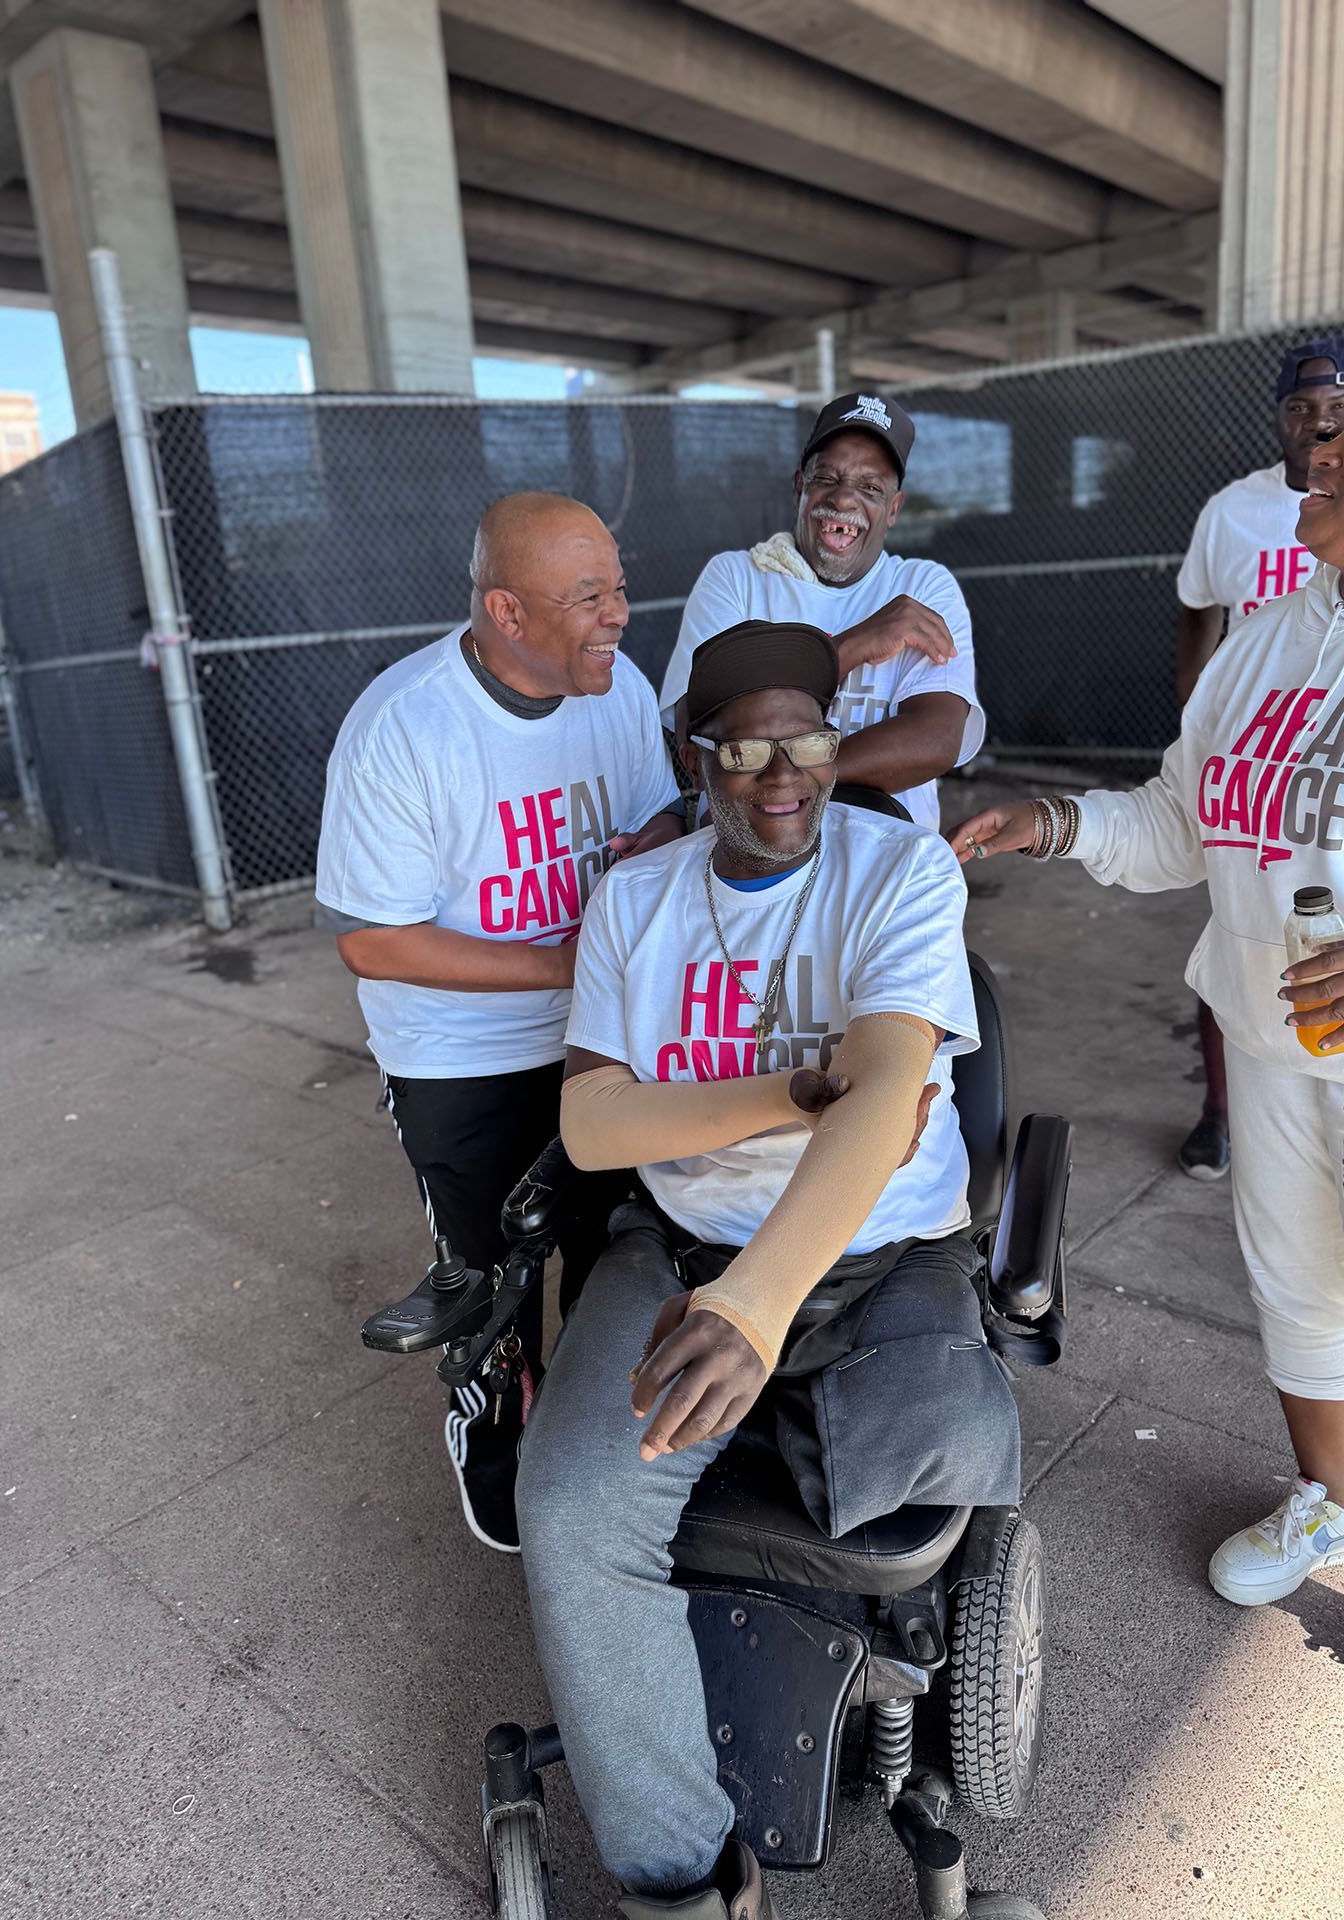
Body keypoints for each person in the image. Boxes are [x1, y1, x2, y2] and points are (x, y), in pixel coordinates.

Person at [947, 361, 1344, 1767]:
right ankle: (1334, 1505)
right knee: (1296, 1294)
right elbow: (1175, 823)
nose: (1322, 452)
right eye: (1322, 432)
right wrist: (1048, 824)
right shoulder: (1266, 637)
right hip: (1276, 1046)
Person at [516, 621, 1020, 1915]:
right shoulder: (637, 898)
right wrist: (785, 1093)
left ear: (835, 741)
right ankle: (688, 1884)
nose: (776, 772)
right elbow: (595, 1125)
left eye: (802, 738)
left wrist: (757, 1300)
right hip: (683, 1241)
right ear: (698, 757)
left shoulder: (900, 870)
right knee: (571, 1510)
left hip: (883, 1246)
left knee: (917, 1489)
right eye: (741, 745)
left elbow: (892, 1091)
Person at [315, 493, 683, 1552]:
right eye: (588, 596)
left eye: (618, 583)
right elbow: (374, 940)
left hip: (600, 1039)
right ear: (507, 613)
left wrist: (639, 856)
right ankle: (493, 1438)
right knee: (494, 1284)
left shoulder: (614, 685)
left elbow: (658, 808)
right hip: (460, 1060)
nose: (619, 612)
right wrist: (560, 962)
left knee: (609, 1251)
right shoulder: (404, 726)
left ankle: (584, 1440)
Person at [1173, 334, 1344, 1181]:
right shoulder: (1234, 512)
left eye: (1341, 416)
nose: (1319, 431)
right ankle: (1221, 1111)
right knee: (1235, 932)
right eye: (1302, 411)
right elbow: (1196, 614)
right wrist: (1198, 728)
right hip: (1256, 771)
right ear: (1281, 418)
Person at [657, 392, 983, 829]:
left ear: (893, 509)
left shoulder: (921, 587)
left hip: (884, 861)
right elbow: (699, 726)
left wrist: (773, 777)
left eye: (870, 487)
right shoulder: (737, 576)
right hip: (743, 862)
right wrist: (852, 645)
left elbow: (936, 740)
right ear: (800, 488)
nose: (844, 499)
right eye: (827, 478)